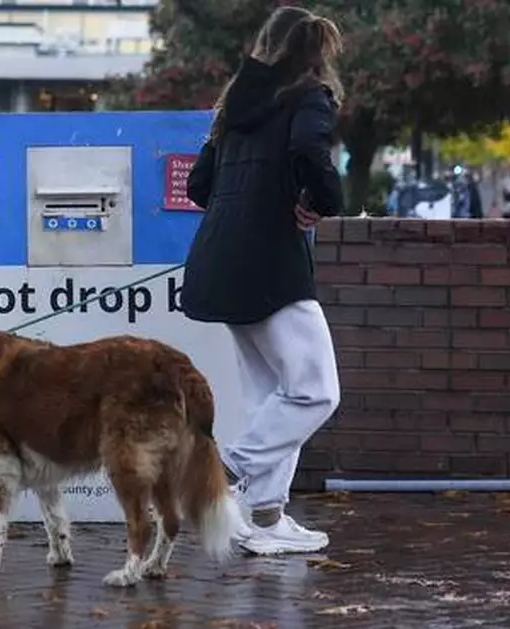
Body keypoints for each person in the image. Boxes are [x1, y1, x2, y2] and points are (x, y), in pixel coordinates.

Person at [181, 5, 345, 556]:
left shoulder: (232, 107)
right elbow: (308, 151)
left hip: (221, 261)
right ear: (313, 52)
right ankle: (225, 474)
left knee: (270, 397)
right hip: (271, 265)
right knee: (316, 390)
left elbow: (200, 187)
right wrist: (319, 202)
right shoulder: (308, 96)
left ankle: (267, 518)